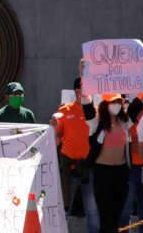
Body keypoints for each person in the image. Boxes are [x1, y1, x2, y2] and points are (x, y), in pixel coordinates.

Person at [50, 77, 99, 233]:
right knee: (64, 209)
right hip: (69, 169)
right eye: (83, 89)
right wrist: (53, 127)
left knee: (92, 211)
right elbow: (56, 139)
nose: (85, 92)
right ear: (77, 91)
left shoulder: (95, 112)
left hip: (88, 168)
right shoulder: (64, 111)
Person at [82, 92, 132, 233]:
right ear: (105, 104)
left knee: (117, 215)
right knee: (106, 215)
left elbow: (137, 105)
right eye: (112, 102)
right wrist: (84, 78)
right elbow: (87, 105)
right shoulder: (96, 121)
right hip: (102, 173)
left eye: (118, 102)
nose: (116, 105)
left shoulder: (125, 122)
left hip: (121, 173)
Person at [119, 90, 143, 233]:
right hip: (131, 171)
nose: (141, 114)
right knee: (126, 211)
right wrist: (131, 146)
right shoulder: (128, 122)